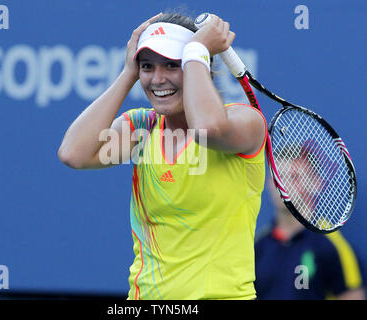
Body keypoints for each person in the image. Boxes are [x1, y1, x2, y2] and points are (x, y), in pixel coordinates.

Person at [58, 12, 267, 300]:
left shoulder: (246, 122)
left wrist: (197, 50)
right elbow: (73, 154)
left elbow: (206, 127)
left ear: (198, 65)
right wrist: (128, 73)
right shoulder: (142, 128)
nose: (157, 79)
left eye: (172, 65)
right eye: (147, 66)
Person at [254, 150, 366, 300]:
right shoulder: (258, 246)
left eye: (294, 177)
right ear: (268, 183)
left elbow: (353, 296)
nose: (282, 185)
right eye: (278, 177)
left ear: (315, 183)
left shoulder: (332, 245)